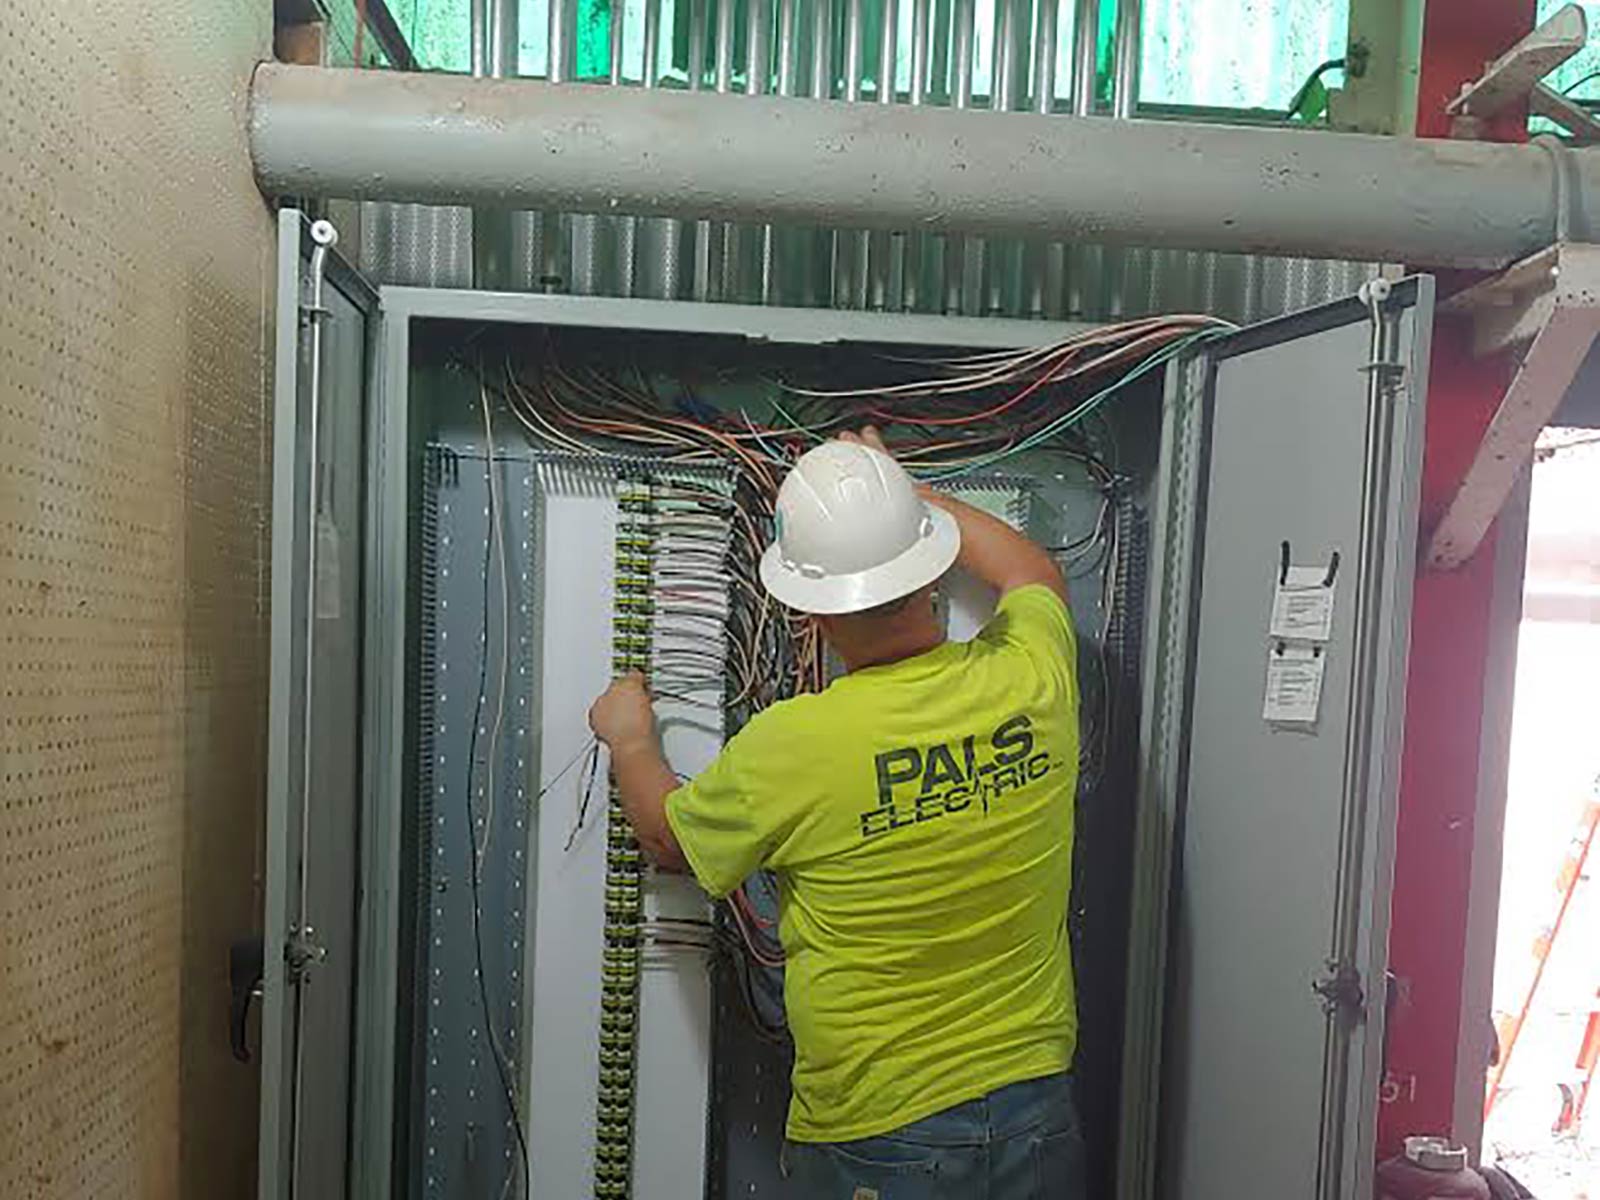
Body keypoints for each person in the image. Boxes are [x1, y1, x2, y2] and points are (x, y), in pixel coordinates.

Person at [588, 427, 1085, 1199]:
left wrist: (628, 738)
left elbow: (667, 837)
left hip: (882, 1135)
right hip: (1039, 1113)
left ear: (807, 608)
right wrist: (892, 495)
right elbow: (1031, 571)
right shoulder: (1031, 676)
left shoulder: (797, 744)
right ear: (929, 565)